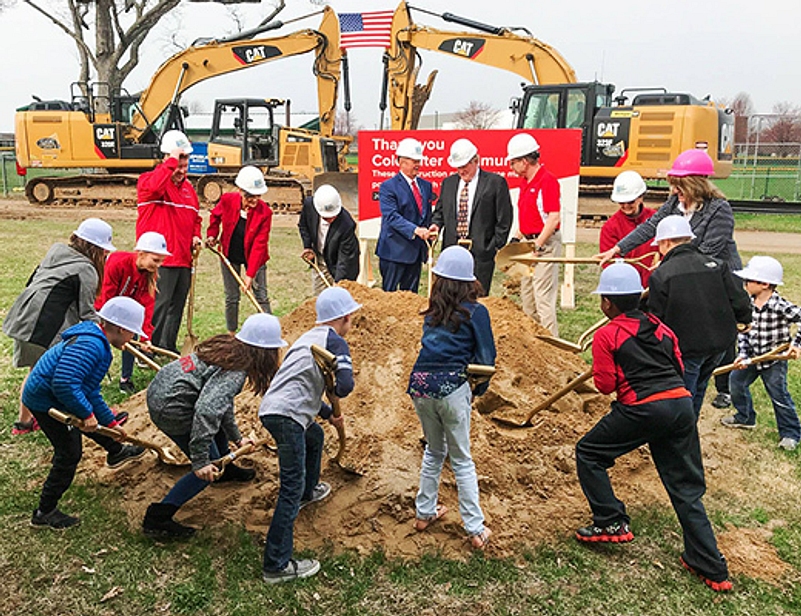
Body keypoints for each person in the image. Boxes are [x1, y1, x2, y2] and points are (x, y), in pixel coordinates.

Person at [575, 262, 732, 593]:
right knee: (686, 489)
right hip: (680, 406)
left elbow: (605, 385)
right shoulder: (662, 327)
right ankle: (712, 567)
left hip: (643, 408)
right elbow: (676, 365)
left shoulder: (607, 334)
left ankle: (610, 520)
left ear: (607, 302)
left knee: (589, 452)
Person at [594, 149, 743, 409]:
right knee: (688, 331)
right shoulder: (675, 205)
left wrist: (668, 268)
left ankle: (722, 389)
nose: (674, 192)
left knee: (712, 332)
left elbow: (709, 250)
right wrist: (618, 249)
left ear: (694, 184)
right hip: (683, 276)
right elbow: (651, 227)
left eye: (678, 186)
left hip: (713, 279)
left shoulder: (719, 210)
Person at [142, 313, 286, 538]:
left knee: (214, 430)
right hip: (171, 408)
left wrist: (237, 438)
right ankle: (158, 518)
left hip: (162, 394)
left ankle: (225, 470)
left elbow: (220, 403)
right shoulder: (236, 371)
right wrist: (201, 460)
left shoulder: (231, 352)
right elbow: (207, 410)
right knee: (206, 469)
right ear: (264, 352)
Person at [259, 286, 360, 584]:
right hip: (289, 418)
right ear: (343, 318)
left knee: (314, 436)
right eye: (350, 317)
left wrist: (330, 414)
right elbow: (345, 386)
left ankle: (309, 490)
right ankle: (276, 565)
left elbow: (301, 388)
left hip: (274, 409)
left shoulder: (306, 340)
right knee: (289, 486)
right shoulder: (335, 341)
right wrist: (337, 391)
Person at [21, 297, 149, 530]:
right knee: (69, 452)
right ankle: (44, 511)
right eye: (133, 333)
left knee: (90, 418)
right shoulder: (91, 346)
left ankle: (116, 451)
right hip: (45, 400)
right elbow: (65, 382)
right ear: (120, 328)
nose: (134, 338)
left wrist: (109, 423)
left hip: (59, 394)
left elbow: (89, 390)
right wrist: (85, 414)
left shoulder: (98, 342)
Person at [407, 246, 496, 549]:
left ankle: (424, 512)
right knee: (461, 459)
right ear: (470, 282)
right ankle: (474, 528)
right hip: (452, 386)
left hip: (420, 384)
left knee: (434, 451)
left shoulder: (431, 312)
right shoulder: (476, 312)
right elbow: (486, 359)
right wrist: (478, 391)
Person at [3, 218, 116, 435]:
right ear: (94, 248)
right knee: (55, 372)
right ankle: (69, 418)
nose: (105, 256)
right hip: (42, 326)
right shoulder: (86, 269)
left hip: (24, 317)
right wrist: (102, 336)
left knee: (35, 369)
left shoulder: (57, 253)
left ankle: (24, 423)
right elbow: (86, 311)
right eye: (104, 251)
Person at [645, 216, 751, 417]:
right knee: (700, 386)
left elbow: (656, 318)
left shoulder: (662, 275)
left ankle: (682, 435)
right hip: (720, 344)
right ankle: (689, 428)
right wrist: (745, 319)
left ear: (666, 242)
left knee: (684, 394)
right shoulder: (717, 265)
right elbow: (738, 298)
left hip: (689, 347)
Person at [721, 256, 801, 450]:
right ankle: (745, 417)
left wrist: (796, 344)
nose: (744, 283)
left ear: (764, 284)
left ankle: (790, 433)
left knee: (778, 395)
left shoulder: (779, 306)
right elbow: (744, 331)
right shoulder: (747, 304)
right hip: (752, 357)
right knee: (736, 383)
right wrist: (742, 355)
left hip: (774, 360)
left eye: (748, 280)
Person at [136, 129, 202, 353]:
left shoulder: (189, 191)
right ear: (166, 158)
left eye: (185, 165)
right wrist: (172, 162)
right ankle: (147, 346)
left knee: (177, 306)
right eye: (178, 164)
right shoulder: (150, 182)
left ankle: (166, 345)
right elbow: (155, 186)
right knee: (158, 305)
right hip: (159, 260)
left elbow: (195, 218)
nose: (182, 170)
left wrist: (196, 235)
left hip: (183, 258)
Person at [431, 138, 512, 295]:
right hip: (452, 250)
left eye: (464, 166)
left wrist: (494, 246)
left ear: (476, 160)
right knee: (450, 296)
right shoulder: (448, 183)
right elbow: (440, 212)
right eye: (458, 167)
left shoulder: (495, 183)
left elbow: (504, 219)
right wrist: (436, 225)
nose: (461, 171)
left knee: (477, 297)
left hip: (481, 254)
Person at [98, 231, 170, 394]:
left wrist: (146, 337)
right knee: (100, 344)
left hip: (125, 310)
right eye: (155, 260)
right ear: (142, 253)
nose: (158, 265)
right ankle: (94, 377)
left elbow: (146, 305)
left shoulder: (150, 274)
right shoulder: (118, 262)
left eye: (161, 261)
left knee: (132, 336)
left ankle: (125, 379)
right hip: (102, 307)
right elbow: (107, 293)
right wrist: (108, 324)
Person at [206, 166, 273, 333]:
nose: (255, 200)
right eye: (250, 196)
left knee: (261, 295)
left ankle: (271, 330)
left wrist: (250, 275)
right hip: (229, 254)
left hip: (254, 258)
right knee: (232, 297)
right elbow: (215, 216)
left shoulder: (265, 213)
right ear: (240, 191)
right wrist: (212, 235)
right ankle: (231, 333)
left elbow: (259, 244)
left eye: (258, 196)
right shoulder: (228, 200)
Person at [506, 132, 561, 336]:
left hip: (545, 245)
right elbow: (527, 219)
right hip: (529, 244)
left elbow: (553, 218)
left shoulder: (547, 181)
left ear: (524, 161)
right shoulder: (525, 183)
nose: (511, 167)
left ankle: (552, 346)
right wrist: (515, 239)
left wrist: (537, 245)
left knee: (542, 297)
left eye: (513, 162)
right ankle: (534, 342)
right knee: (527, 296)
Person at [376, 137, 436, 293]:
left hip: (415, 253)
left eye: (419, 160)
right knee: (389, 297)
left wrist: (430, 230)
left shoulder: (426, 186)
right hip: (393, 252)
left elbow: (426, 214)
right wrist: (416, 230)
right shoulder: (388, 187)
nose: (418, 164)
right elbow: (391, 216)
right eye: (413, 161)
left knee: (411, 298)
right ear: (401, 162)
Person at [298, 184, 360, 295]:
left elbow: (344, 260)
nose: (331, 219)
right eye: (326, 217)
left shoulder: (347, 224)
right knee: (320, 296)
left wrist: (339, 282)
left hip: (340, 263)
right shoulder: (309, 206)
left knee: (339, 298)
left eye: (333, 216)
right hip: (321, 258)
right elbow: (303, 226)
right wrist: (308, 246)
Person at [599, 170, 657, 287]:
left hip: (655, 285)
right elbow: (609, 264)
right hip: (625, 288)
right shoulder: (610, 227)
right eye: (621, 202)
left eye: (630, 201)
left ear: (641, 197)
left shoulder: (656, 220)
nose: (625, 206)